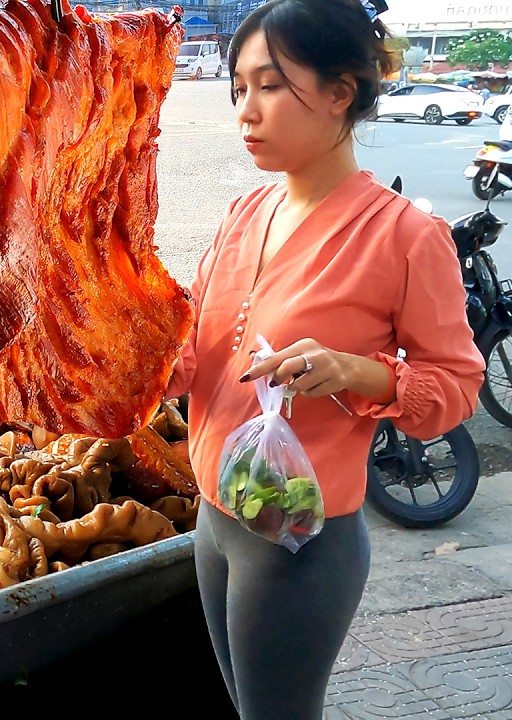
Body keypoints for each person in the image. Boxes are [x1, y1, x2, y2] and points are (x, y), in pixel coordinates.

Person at [165, 0, 485, 717]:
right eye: (238, 88)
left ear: (341, 91)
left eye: (271, 86)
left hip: (297, 544)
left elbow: (458, 387)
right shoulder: (244, 214)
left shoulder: (405, 236)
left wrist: (358, 371)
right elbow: (195, 356)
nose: (246, 110)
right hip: (214, 520)